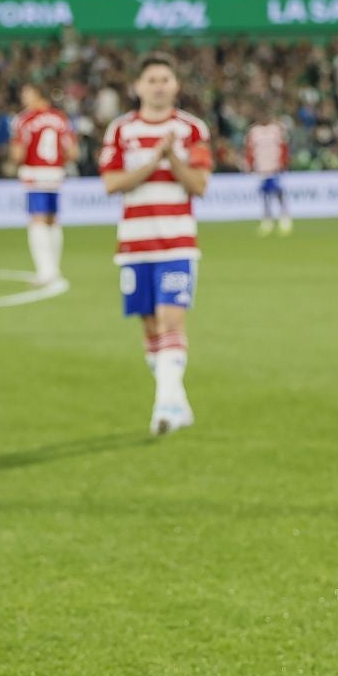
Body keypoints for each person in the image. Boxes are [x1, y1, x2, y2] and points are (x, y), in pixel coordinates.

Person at [99, 56, 212, 435]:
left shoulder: (191, 129)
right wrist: (153, 160)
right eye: (152, 79)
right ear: (139, 86)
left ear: (176, 85)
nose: (159, 85)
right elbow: (112, 184)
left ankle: (163, 406)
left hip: (177, 243)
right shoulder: (121, 130)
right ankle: (177, 401)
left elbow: (199, 185)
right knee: (150, 328)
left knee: (170, 319)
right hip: (134, 244)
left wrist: (173, 158)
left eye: (165, 79)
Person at [11, 82, 74, 284]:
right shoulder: (60, 118)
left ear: (37, 94)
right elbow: (73, 152)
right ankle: (54, 268)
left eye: (27, 92)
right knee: (53, 220)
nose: (24, 97)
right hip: (55, 173)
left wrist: (14, 158)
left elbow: (18, 153)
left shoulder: (25, 119)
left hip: (35, 173)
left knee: (37, 220)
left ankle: (45, 271)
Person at [245, 116, 292, 234]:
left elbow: (284, 147)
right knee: (265, 194)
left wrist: (284, 162)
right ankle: (267, 220)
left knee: (278, 192)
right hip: (261, 167)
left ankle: (284, 217)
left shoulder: (277, 129)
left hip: (275, 167)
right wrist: (250, 164)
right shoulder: (254, 131)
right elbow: (249, 149)